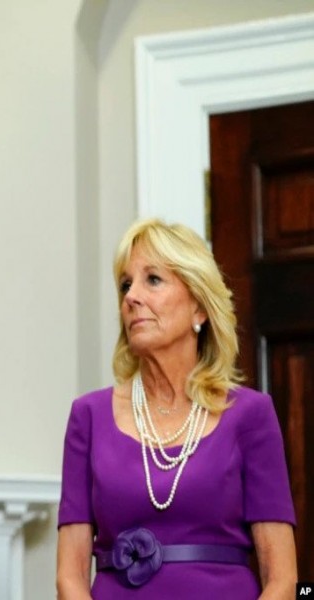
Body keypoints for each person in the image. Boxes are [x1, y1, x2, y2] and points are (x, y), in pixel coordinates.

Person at [56, 219, 296, 598]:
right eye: (125, 284)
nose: (132, 296)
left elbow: (281, 578)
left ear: (198, 308)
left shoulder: (251, 415)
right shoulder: (88, 416)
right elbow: (69, 577)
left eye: (152, 279)